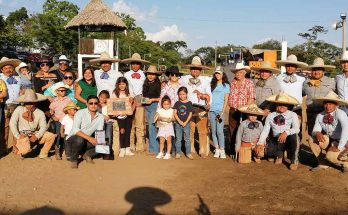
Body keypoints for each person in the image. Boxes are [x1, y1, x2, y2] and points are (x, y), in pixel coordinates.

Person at [257, 92, 300, 171]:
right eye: (279, 104)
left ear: (288, 106)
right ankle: (279, 154)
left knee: (295, 136)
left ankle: (294, 159)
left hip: (288, 138)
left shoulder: (293, 114)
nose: (281, 106)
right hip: (276, 139)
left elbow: (297, 129)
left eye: (284, 104)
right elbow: (266, 130)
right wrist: (260, 143)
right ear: (276, 105)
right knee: (268, 153)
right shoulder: (271, 115)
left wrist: (286, 132)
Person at [9, 89, 56, 159]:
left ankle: (43, 154)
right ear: (24, 103)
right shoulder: (19, 109)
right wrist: (18, 136)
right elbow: (12, 123)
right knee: (24, 151)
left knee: (51, 136)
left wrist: (37, 136)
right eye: (27, 103)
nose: (29, 105)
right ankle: (21, 150)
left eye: (31, 103)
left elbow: (43, 127)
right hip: (23, 135)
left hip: (35, 134)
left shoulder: (40, 113)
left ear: (35, 103)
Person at [180, 56, 211, 158]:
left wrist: (208, 104)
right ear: (190, 70)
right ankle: (191, 149)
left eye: (197, 69)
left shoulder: (206, 80)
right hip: (189, 107)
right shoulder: (184, 79)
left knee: (202, 130)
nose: (195, 71)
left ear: (200, 70)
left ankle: (202, 150)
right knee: (190, 130)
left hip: (201, 108)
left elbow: (209, 94)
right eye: (193, 69)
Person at [311, 91, 348, 172]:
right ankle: (323, 163)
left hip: (344, 141)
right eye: (326, 104)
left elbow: (346, 130)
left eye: (330, 104)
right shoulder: (320, 115)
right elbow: (315, 129)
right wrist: (317, 132)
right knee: (312, 140)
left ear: (336, 105)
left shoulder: (341, 113)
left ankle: (346, 164)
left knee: (330, 156)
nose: (328, 107)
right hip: (332, 139)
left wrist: (339, 147)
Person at [66, 95, 105, 168]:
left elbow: (99, 132)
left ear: (98, 104)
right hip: (72, 140)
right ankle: (74, 160)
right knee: (79, 140)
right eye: (91, 103)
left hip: (85, 141)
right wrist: (90, 138)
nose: (93, 105)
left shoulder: (100, 117)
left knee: (105, 144)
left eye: (95, 103)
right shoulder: (80, 112)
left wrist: (101, 142)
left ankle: (87, 154)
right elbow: (75, 130)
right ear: (87, 104)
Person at [302, 57, 335, 143]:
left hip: (325, 113)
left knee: (327, 136)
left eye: (319, 70)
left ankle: (327, 155)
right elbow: (302, 93)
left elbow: (335, 97)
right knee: (313, 135)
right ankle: (316, 156)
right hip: (311, 113)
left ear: (323, 71)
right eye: (314, 70)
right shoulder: (306, 82)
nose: (316, 72)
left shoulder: (331, 82)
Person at [122, 53, 150, 152]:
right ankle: (130, 144)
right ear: (130, 64)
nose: (135, 66)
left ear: (140, 65)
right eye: (133, 63)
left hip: (140, 99)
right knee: (130, 123)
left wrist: (143, 99)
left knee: (140, 123)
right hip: (129, 98)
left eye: (137, 64)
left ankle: (140, 144)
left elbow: (147, 88)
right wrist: (129, 97)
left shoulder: (144, 74)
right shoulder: (126, 74)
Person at [228, 62, 256, 157]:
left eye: (240, 72)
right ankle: (233, 150)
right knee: (232, 130)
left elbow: (252, 98)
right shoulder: (232, 82)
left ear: (244, 73)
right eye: (236, 72)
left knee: (244, 130)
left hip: (244, 111)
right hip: (233, 109)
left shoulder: (249, 83)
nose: (238, 74)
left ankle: (243, 150)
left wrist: (245, 108)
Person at [0, 57, 21, 154]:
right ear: (2, 70)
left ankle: (16, 148)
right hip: (5, 105)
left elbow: (23, 89)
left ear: (13, 68)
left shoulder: (18, 78)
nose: (8, 70)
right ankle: (3, 148)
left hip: (17, 105)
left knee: (16, 126)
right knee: (4, 127)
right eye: (6, 68)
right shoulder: (0, 79)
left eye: (10, 68)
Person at [209, 66, 230, 159]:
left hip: (219, 112)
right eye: (216, 73)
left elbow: (226, 100)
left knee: (220, 131)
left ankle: (222, 149)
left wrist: (222, 111)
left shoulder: (226, 86)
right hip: (211, 111)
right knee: (213, 131)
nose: (217, 75)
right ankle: (216, 148)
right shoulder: (211, 84)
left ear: (223, 74)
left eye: (219, 73)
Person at [111, 77, 135, 157]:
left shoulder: (129, 93)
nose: (122, 86)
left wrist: (131, 111)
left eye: (123, 84)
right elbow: (113, 104)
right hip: (120, 116)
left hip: (128, 116)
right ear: (117, 85)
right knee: (122, 131)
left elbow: (134, 103)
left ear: (126, 84)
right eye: (120, 84)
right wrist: (118, 113)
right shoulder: (115, 93)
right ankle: (122, 149)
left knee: (128, 131)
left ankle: (128, 149)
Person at [49, 82, 72, 160]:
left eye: (64, 90)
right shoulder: (54, 101)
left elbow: (72, 107)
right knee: (58, 135)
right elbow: (51, 111)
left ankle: (67, 150)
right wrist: (53, 117)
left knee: (67, 134)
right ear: (57, 92)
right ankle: (57, 150)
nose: (63, 92)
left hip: (66, 120)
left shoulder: (68, 99)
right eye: (61, 90)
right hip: (58, 120)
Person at [143, 65, 162, 154]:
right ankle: (154, 148)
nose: (151, 76)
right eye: (149, 74)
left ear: (156, 75)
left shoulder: (159, 85)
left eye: (153, 74)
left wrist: (152, 100)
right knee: (151, 127)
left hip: (154, 106)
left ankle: (154, 149)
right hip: (147, 107)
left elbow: (161, 98)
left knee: (152, 127)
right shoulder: (145, 83)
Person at [173, 87, 194, 159]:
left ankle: (188, 153)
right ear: (178, 95)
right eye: (180, 94)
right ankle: (178, 153)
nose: (182, 96)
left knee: (187, 139)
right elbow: (175, 113)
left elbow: (190, 114)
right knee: (178, 139)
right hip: (178, 124)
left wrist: (185, 122)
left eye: (183, 94)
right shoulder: (177, 103)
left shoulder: (189, 103)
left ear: (186, 94)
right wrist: (179, 121)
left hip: (186, 124)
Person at [155, 96, 175, 160]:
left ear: (170, 104)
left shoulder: (172, 110)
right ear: (162, 104)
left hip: (169, 126)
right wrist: (161, 118)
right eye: (164, 104)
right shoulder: (159, 110)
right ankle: (161, 152)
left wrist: (170, 119)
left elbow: (174, 118)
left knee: (169, 141)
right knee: (161, 141)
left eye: (167, 104)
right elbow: (156, 118)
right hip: (162, 126)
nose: (166, 106)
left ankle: (168, 153)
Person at [98, 90, 114, 159]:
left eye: (105, 98)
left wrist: (109, 117)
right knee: (100, 137)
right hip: (100, 123)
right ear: (98, 97)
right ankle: (101, 153)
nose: (103, 99)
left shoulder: (109, 105)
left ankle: (107, 153)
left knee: (108, 137)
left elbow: (112, 114)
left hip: (108, 123)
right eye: (101, 97)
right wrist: (103, 116)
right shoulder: (96, 105)